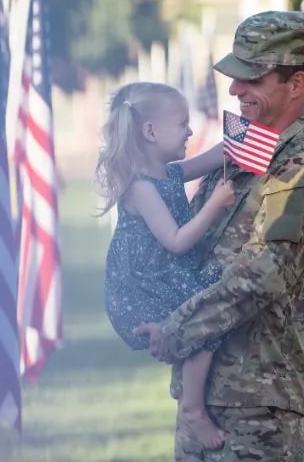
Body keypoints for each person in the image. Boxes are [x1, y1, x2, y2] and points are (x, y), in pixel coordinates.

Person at [134, 11, 304, 461]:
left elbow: (264, 275)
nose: (235, 89)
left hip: (257, 408)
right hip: (207, 395)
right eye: (236, 76)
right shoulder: (245, 153)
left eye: (252, 78)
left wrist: (178, 330)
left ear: (296, 84)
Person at [96, 81, 237, 450]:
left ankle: (192, 401)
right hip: (145, 284)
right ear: (150, 131)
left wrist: (253, 136)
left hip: (166, 274)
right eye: (182, 123)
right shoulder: (141, 187)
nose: (190, 130)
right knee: (204, 316)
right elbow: (176, 241)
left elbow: (217, 155)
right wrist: (213, 205)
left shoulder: (169, 173)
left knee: (205, 313)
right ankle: (192, 408)